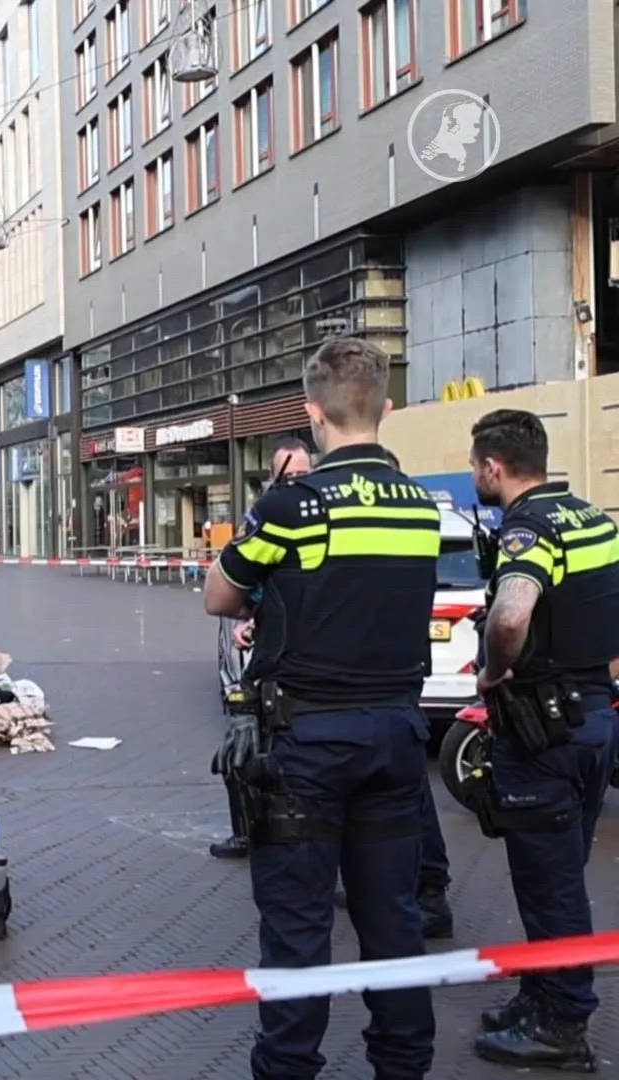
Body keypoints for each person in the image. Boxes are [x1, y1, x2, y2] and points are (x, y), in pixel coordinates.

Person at [203, 337, 438, 1080]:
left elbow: (220, 595)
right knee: (393, 917)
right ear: (387, 409)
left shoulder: (293, 505)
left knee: (298, 925)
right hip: (397, 734)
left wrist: (261, 522)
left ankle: (288, 1067)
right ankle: (403, 1063)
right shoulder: (420, 505)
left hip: (308, 740)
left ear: (312, 414)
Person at [465, 408, 619, 1071]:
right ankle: (541, 993)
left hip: (543, 732)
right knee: (559, 873)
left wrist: (495, 670)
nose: (477, 475)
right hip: (593, 722)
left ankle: (562, 1025)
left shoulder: (529, 528)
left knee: (549, 885)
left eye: (476, 467)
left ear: (494, 467)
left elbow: (511, 614)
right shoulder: (592, 518)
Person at [211, 437, 311, 861]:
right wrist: (247, 620)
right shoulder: (269, 520)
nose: (297, 484)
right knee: (242, 748)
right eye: (290, 477)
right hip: (269, 660)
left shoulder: (318, 519)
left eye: (305, 476)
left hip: (308, 665)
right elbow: (238, 588)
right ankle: (247, 832)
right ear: (274, 478)